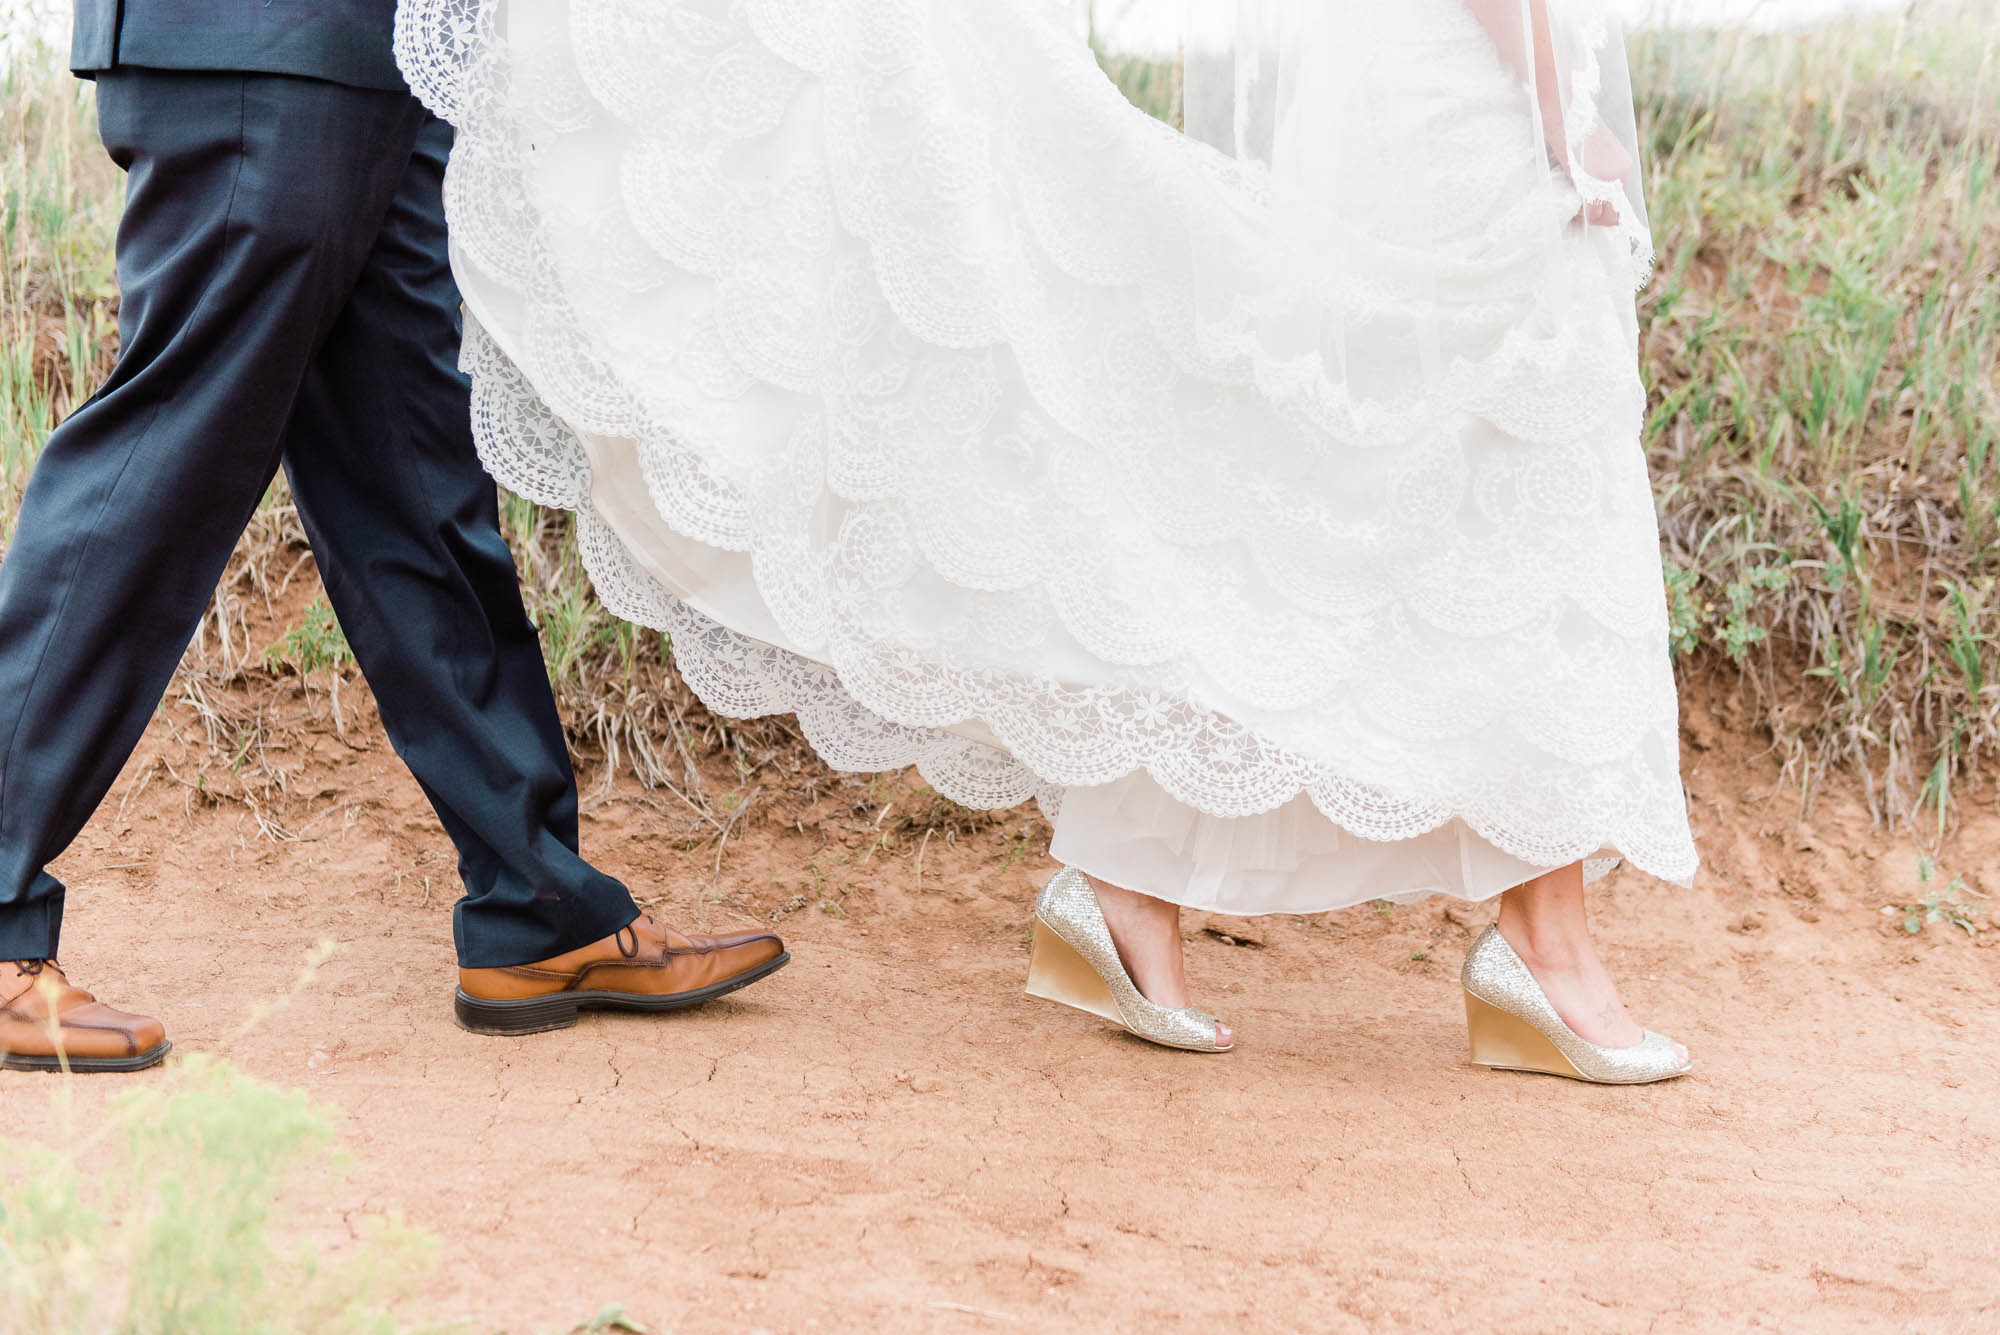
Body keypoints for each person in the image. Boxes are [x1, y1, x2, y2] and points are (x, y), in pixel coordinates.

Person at [397, 0, 1698, 1082]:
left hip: (1407, 77)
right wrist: (1552, 99)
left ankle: (1135, 883)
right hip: (1462, 85)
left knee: (1408, 478)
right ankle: (1540, 938)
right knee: (1501, 466)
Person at [0, 0, 789, 1075]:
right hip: (256, 45)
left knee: (414, 480)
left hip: (390, 64)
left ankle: (537, 904)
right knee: (165, 461)